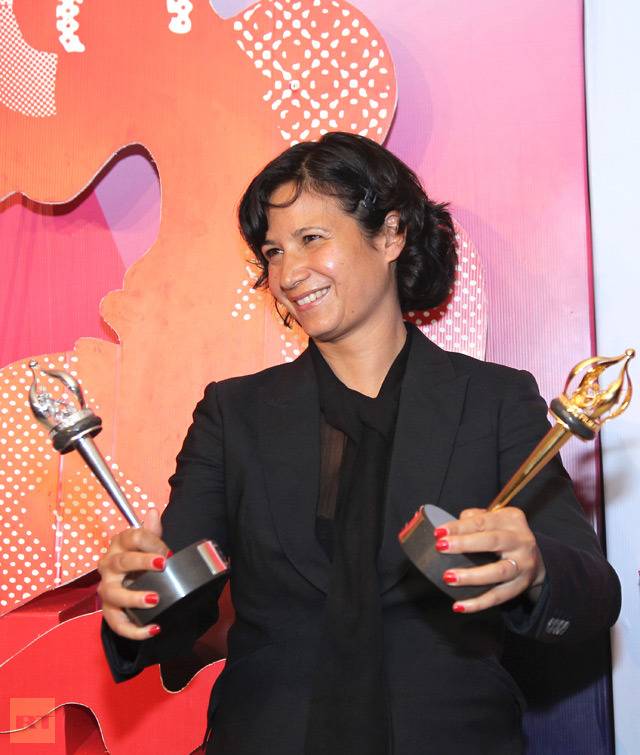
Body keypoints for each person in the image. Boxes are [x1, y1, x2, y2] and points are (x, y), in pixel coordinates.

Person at [98, 132, 621, 754]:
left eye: (311, 239)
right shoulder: (234, 414)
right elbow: (181, 590)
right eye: (273, 251)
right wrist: (137, 600)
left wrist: (531, 569)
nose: (289, 273)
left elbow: (594, 596)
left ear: (391, 234)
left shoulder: (493, 400)